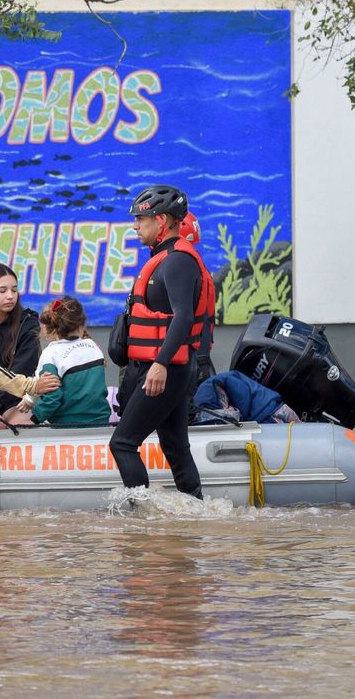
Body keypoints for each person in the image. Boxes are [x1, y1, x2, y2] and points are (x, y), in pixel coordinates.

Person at [110, 184, 209, 498]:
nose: (135, 225)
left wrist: (159, 364)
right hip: (171, 368)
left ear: (163, 219)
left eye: (142, 218)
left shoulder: (179, 261)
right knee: (175, 447)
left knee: (123, 443)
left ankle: (142, 519)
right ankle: (196, 512)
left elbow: (183, 317)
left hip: (169, 369)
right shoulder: (164, 258)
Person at [0, 264, 41, 430]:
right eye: (2, 291)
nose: (10, 296)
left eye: (14, 290)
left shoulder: (28, 323)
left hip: (12, 398)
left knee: (23, 424)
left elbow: (23, 369)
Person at [26, 296, 111, 427]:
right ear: (82, 324)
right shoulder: (93, 346)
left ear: (52, 327)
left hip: (66, 426)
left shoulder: (51, 353)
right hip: (101, 421)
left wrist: (34, 419)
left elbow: (52, 398)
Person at [170, 211, 217, 384]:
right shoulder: (199, 268)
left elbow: (193, 315)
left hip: (190, 354)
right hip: (197, 351)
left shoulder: (187, 271)